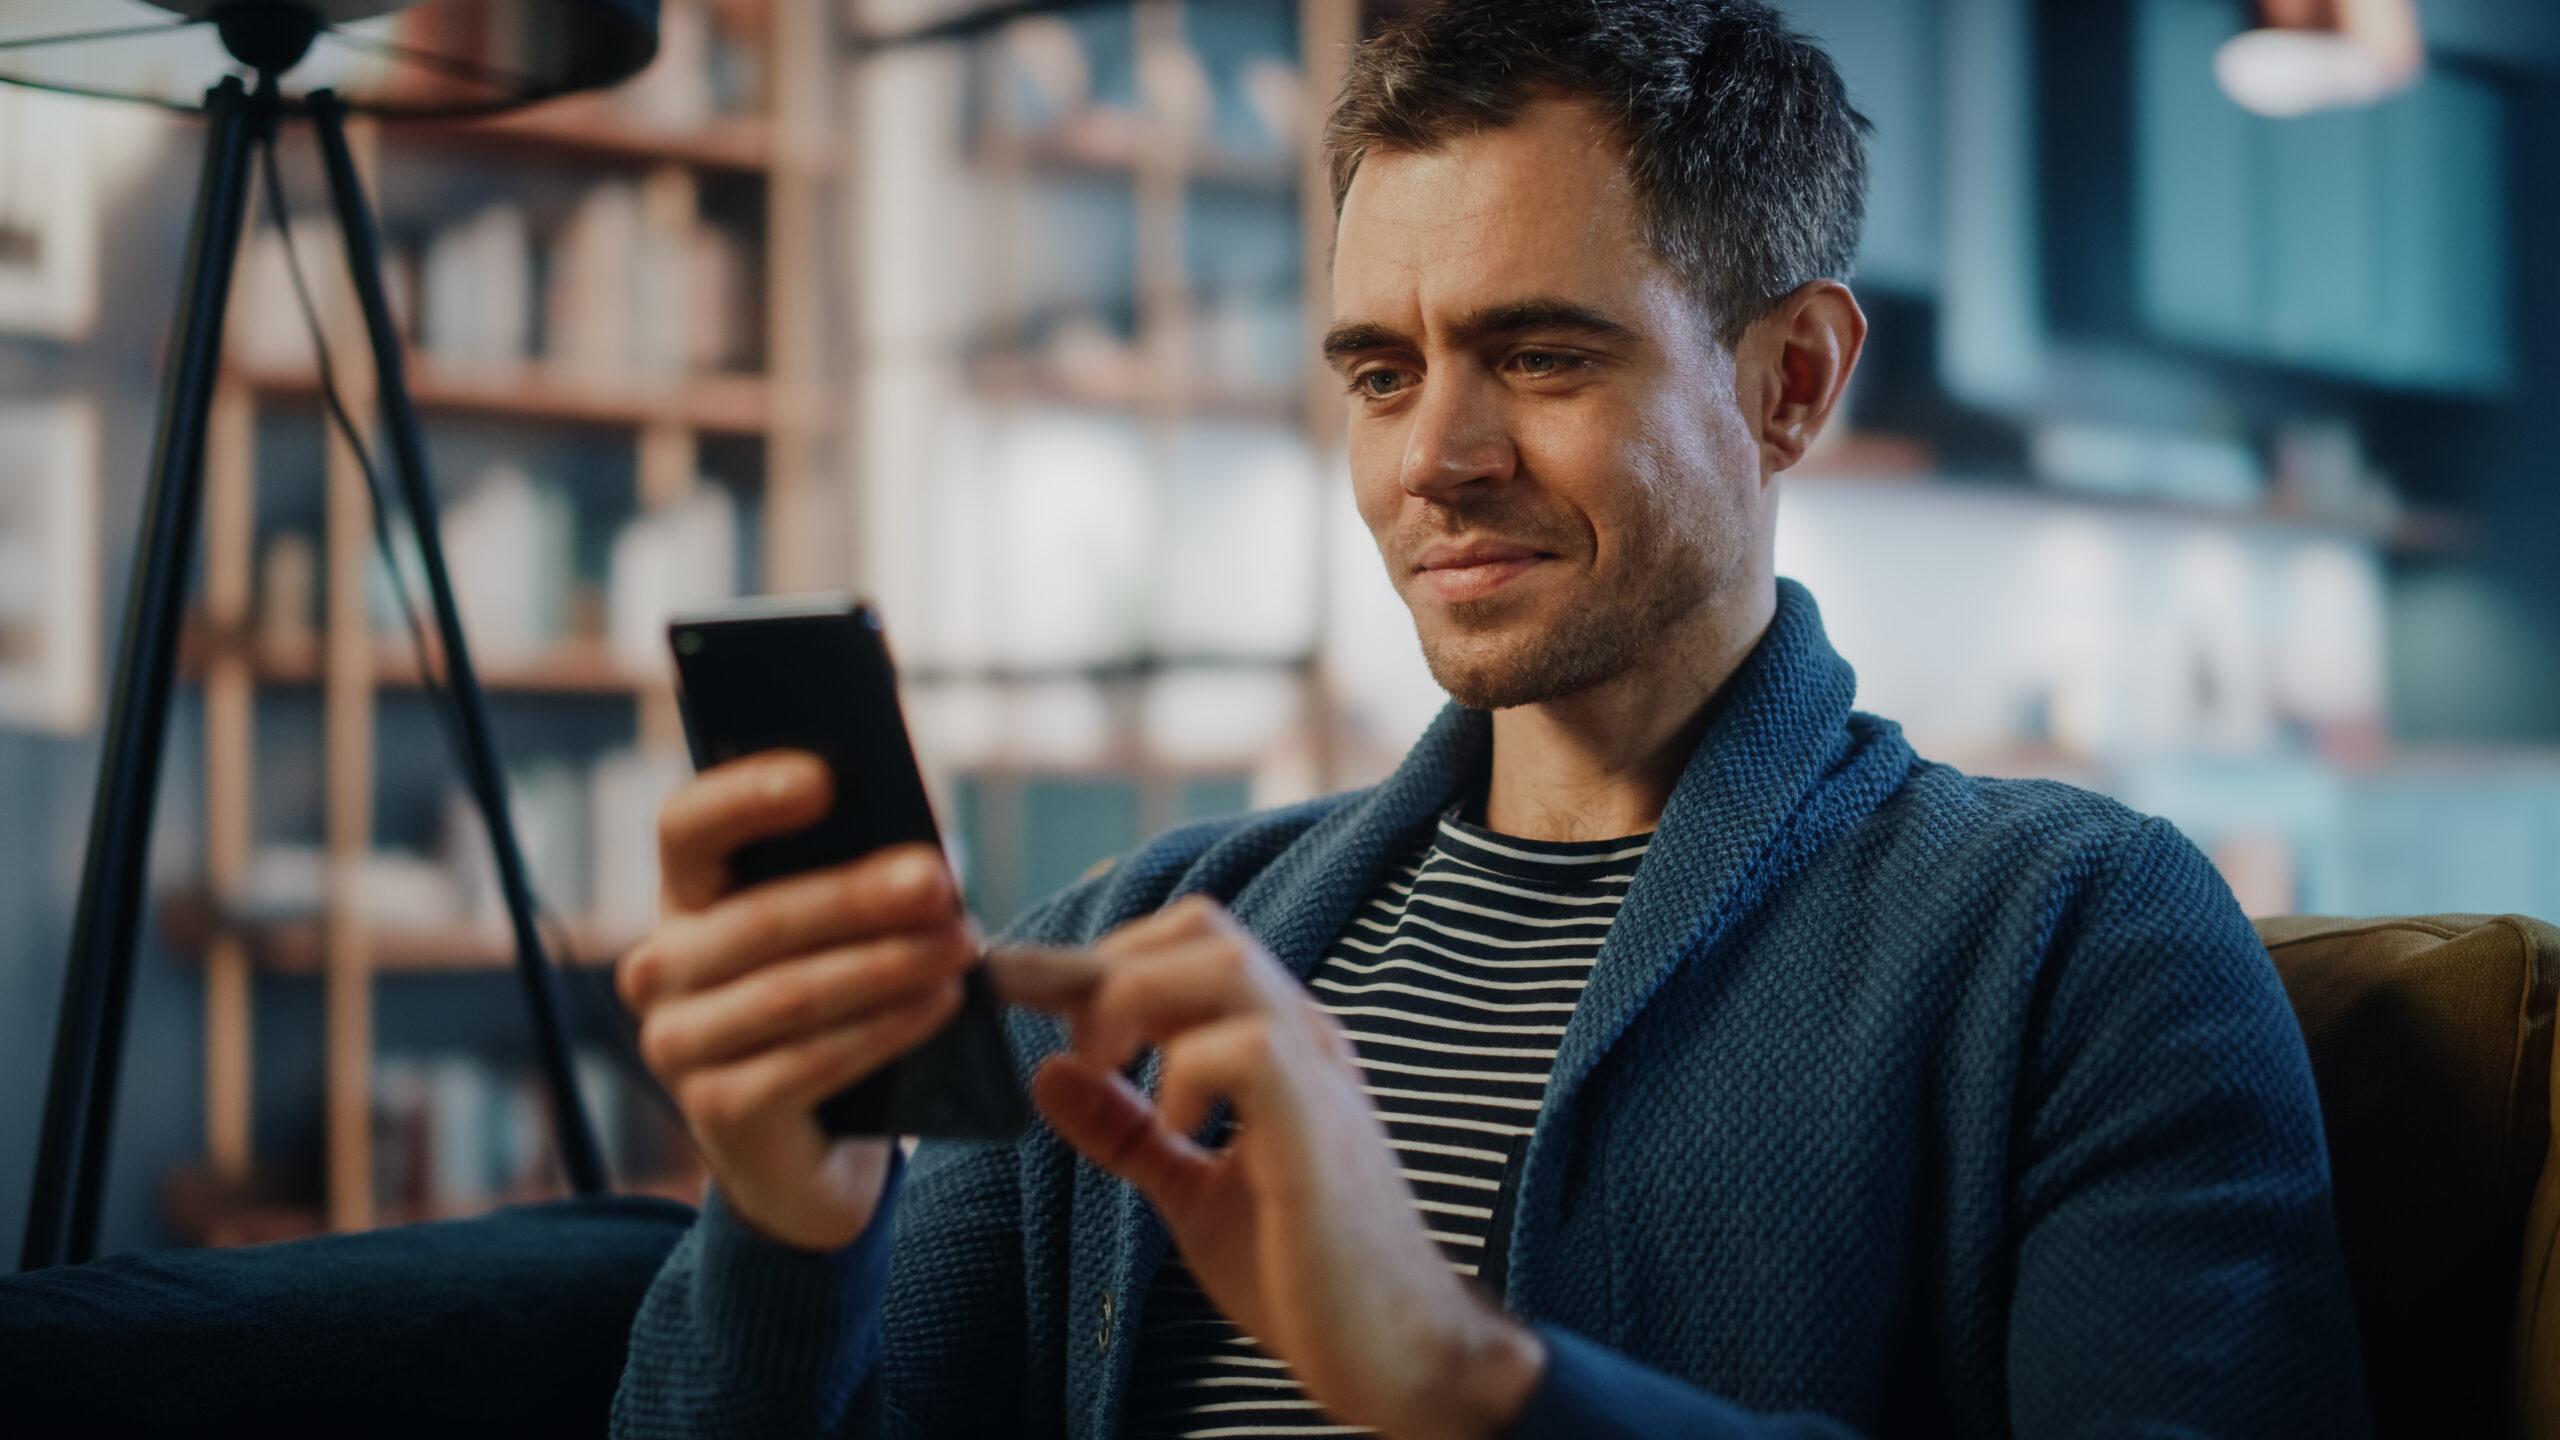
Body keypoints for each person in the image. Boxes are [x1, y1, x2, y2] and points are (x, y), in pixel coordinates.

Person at [608, 2, 2369, 1435]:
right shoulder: (1145, 939)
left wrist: (1470, 1383)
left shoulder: (2074, 940)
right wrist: (786, 1230)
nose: (1433, 462)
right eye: (1381, 373)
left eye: (1540, 356)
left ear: (1792, 382)